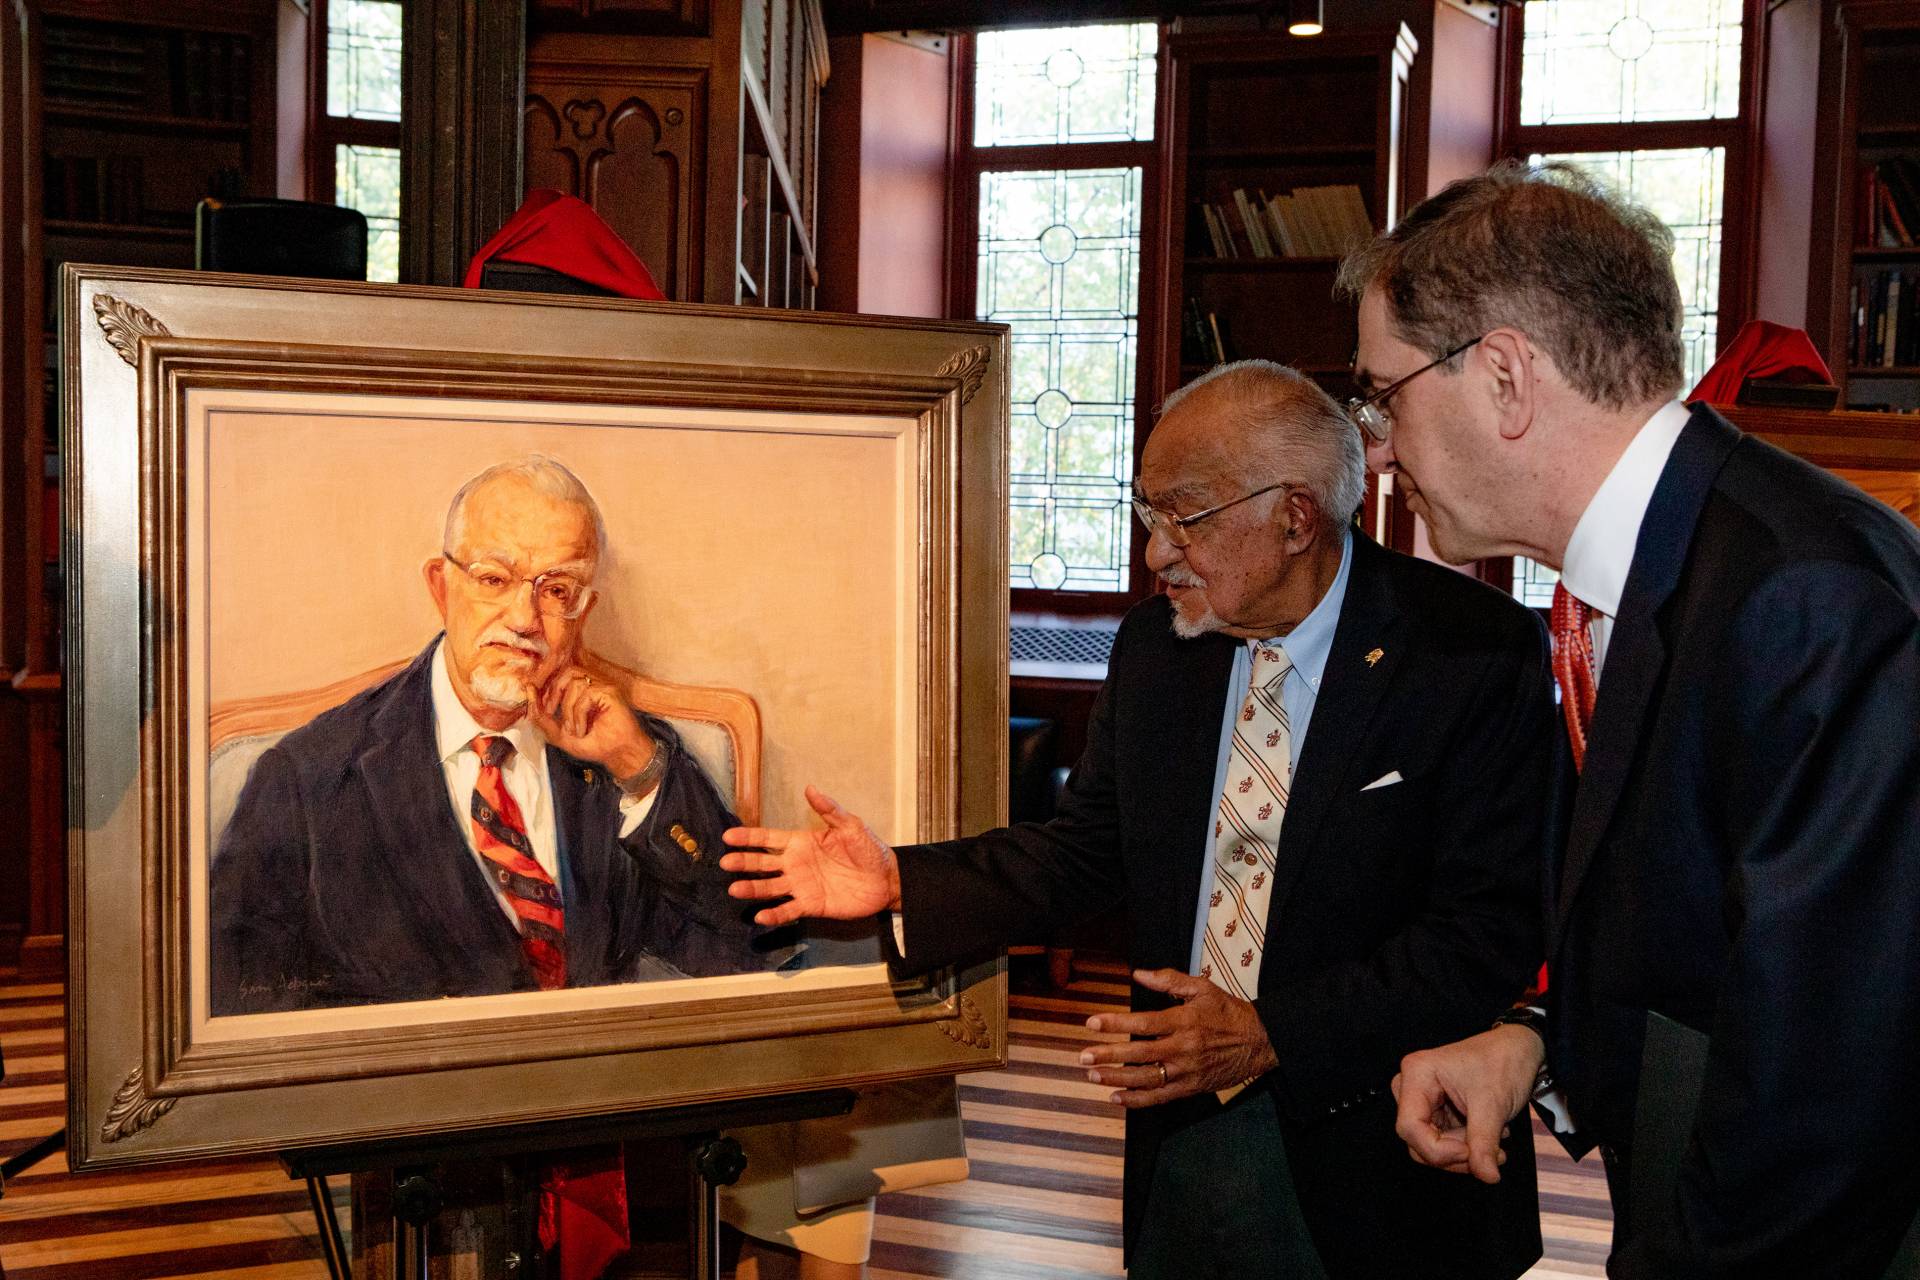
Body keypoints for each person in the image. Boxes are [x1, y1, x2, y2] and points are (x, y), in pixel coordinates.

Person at [721, 361, 1552, 1279]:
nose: (1155, 553)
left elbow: (1489, 931)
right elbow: (1086, 853)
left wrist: (1274, 1030)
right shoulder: (1159, 649)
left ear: (1295, 515)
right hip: (1184, 1121)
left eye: (1182, 517)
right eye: (1147, 513)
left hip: (1387, 1145)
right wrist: (900, 881)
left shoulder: (1471, 653)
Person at [1348, 163, 1920, 1277]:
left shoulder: (1808, 597)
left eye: (1385, 393)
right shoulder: (1619, 581)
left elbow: (1830, 1084)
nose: (1377, 447)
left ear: (1505, 377)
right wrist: (1536, 1048)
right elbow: (1685, 930)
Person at [210, 455, 782, 1014]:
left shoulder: (629, 753)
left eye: (556, 590)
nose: (524, 618)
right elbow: (238, 1005)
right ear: (442, 587)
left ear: (583, 610)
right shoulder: (308, 779)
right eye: (494, 579)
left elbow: (748, 952)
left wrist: (638, 765)